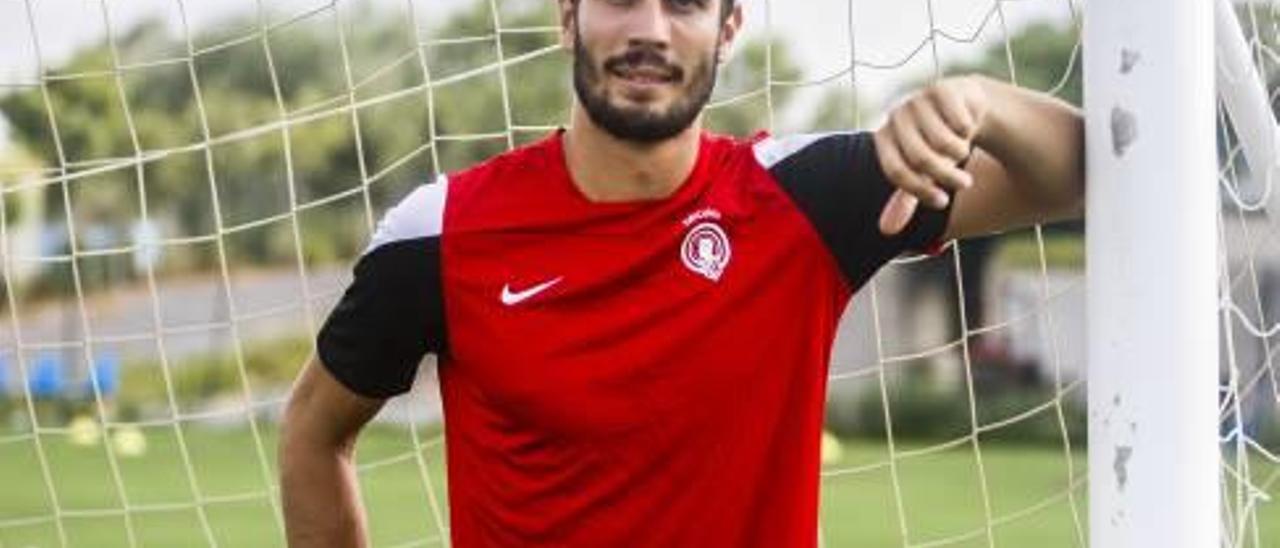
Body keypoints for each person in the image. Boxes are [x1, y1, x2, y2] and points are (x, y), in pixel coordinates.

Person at [278, 0, 1084, 545]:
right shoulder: (441, 232)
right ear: (568, 17)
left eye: (687, 4)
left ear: (729, 28)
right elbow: (315, 431)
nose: (651, 31)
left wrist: (984, 102)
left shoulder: (805, 199)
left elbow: (1082, 175)